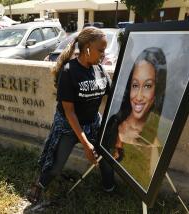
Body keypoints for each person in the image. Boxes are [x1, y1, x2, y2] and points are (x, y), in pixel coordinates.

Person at [27, 27, 116, 203]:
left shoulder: (100, 70)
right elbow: (69, 112)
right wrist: (86, 144)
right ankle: (40, 185)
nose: (103, 55)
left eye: (105, 51)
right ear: (88, 47)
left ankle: (110, 187)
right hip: (69, 126)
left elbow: (113, 94)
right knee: (55, 165)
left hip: (92, 123)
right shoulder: (69, 72)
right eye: (101, 50)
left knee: (107, 155)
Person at [103, 47, 167, 188]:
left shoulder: (161, 131)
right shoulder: (114, 122)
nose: (138, 96)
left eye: (148, 86)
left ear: (158, 89)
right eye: (135, 85)